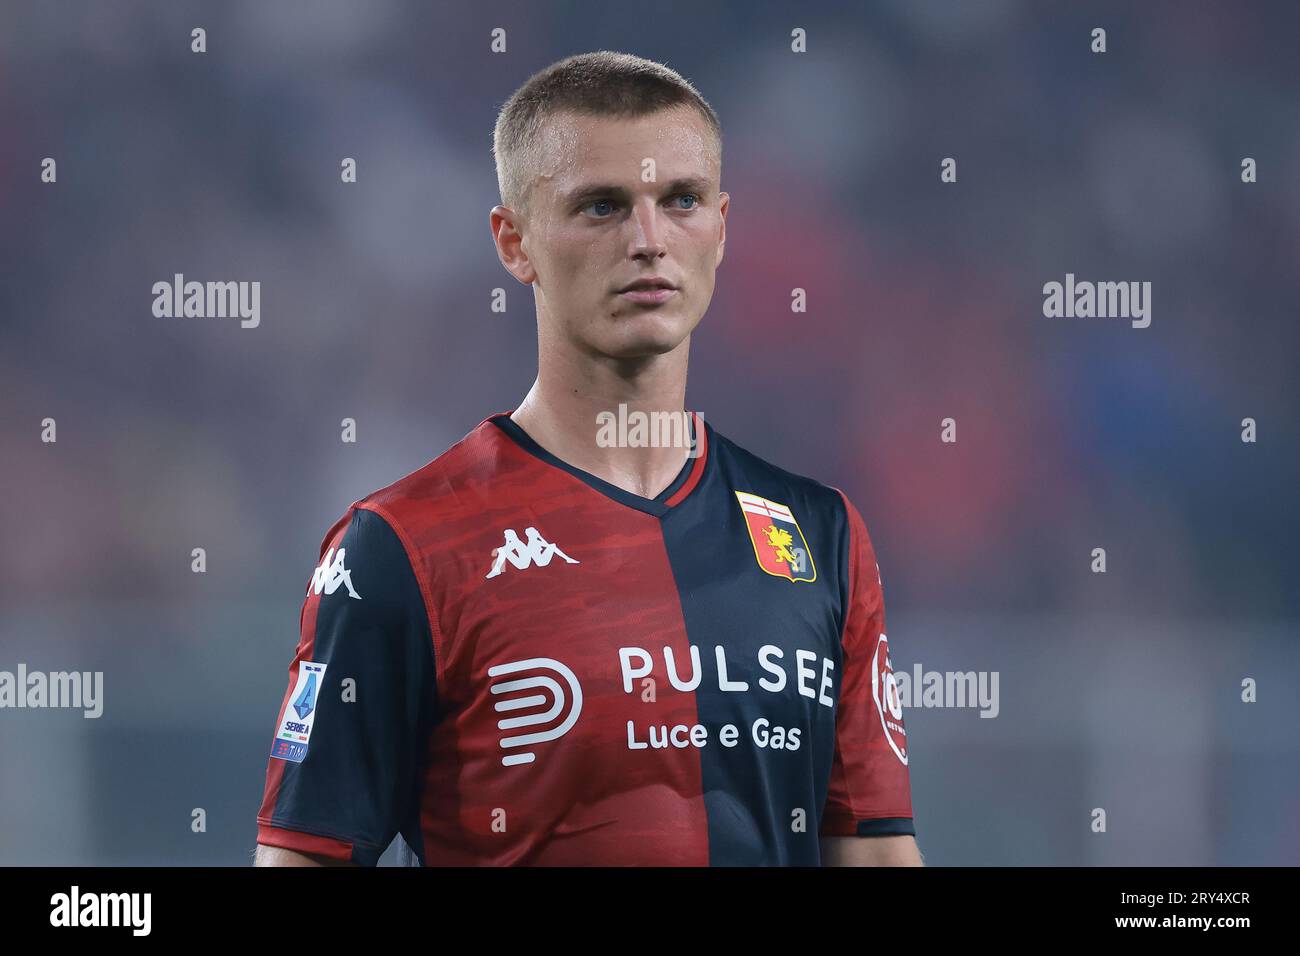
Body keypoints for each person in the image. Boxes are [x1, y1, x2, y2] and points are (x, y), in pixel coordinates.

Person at [254, 50, 921, 867]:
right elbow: (303, 857)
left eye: (680, 200)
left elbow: (878, 854)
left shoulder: (822, 535)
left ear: (722, 226)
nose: (649, 240)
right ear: (515, 242)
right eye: (602, 207)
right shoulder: (399, 549)